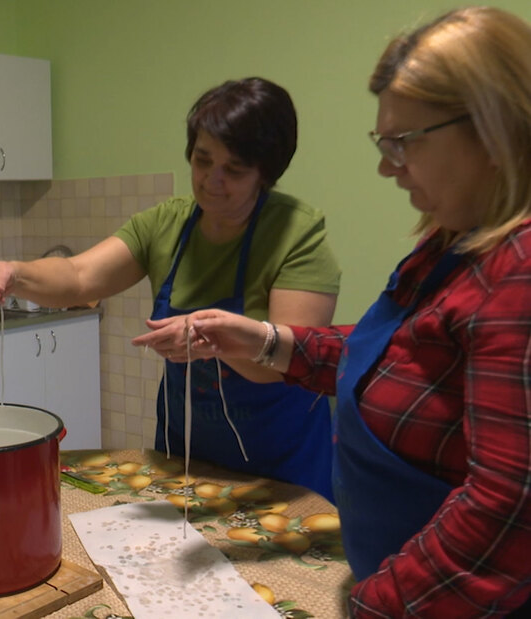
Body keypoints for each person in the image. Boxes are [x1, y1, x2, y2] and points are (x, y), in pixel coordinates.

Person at [155, 7, 531, 616]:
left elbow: (510, 513)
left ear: (492, 130)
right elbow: (399, 355)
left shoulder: (521, 271)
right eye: (383, 142)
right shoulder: (451, 245)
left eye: (404, 142)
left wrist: (377, 604)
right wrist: (266, 341)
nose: (387, 165)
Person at [0, 77, 341, 499]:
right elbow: (78, 277)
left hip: (281, 467)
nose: (211, 181)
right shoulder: (168, 224)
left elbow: (289, 360)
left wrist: (216, 340)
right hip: (186, 457)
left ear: (266, 173)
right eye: (202, 160)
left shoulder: (298, 233)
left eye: (234, 170)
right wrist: (14, 273)